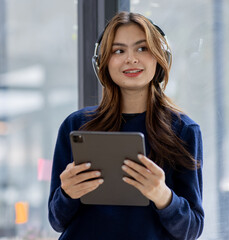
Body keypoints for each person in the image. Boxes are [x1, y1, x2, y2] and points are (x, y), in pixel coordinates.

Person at [48, 11, 204, 240]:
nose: (131, 59)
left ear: (160, 57)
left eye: (142, 48)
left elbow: (192, 229)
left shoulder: (184, 131)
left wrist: (162, 195)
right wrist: (67, 194)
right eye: (118, 51)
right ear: (103, 62)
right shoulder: (76, 125)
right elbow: (56, 221)